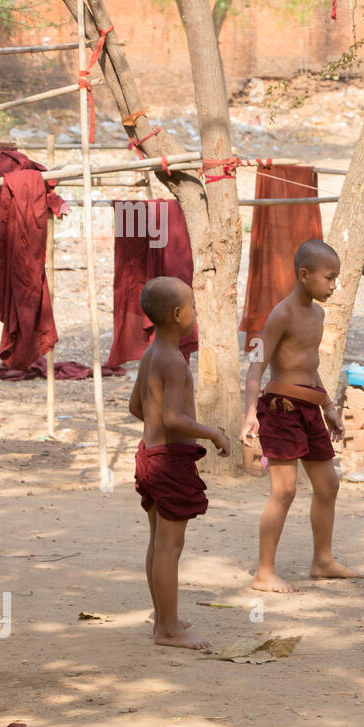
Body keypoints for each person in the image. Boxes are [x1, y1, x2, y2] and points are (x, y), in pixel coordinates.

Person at [239, 239, 359, 593]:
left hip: (310, 409)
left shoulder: (318, 315)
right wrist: (250, 413)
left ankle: (322, 560)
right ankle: (264, 572)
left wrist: (329, 408)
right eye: (329, 278)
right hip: (280, 410)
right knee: (284, 490)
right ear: (304, 275)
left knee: (328, 484)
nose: (333, 286)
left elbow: (310, 367)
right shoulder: (282, 314)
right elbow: (255, 367)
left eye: (336, 278)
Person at [129, 277, 231, 650]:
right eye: (192, 306)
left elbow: (136, 407)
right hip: (170, 462)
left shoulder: (151, 355)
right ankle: (168, 630)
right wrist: (213, 433)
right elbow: (173, 417)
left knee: (158, 544)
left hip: (150, 455)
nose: (195, 313)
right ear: (177, 314)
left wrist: (156, 424)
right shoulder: (173, 361)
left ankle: (164, 617)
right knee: (170, 548)